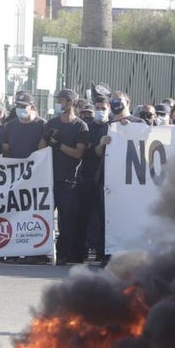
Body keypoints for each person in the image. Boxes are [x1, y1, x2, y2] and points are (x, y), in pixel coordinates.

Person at [45, 88, 90, 265]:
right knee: (43, 216)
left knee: (67, 220)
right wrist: (47, 138)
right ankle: (41, 252)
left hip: (68, 181)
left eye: (61, 101)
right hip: (49, 179)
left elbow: (78, 153)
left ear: (70, 103)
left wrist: (58, 145)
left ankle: (63, 254)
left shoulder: (80, 126)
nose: (58, 104)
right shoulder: (51, 123)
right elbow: (41, 146)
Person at [80, 93, 112, 265]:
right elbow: (89, 151)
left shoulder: (115, 127)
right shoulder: (87, 127)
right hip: (88, 175)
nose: (100, 111)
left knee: (103, 215)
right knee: (85, 214)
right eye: (97, 109)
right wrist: (99, 145)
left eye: (103, 109)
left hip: (107, 178)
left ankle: (102, 251)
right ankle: (82, 248)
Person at [0, 92, 46, 159]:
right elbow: (5, 149)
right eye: (17, 106)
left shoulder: (42, 125)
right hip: (16, 167)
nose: (19, 108)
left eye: (23, 106)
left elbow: (44, 151)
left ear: (32, 107)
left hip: (35, 167)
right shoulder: (9, 126)